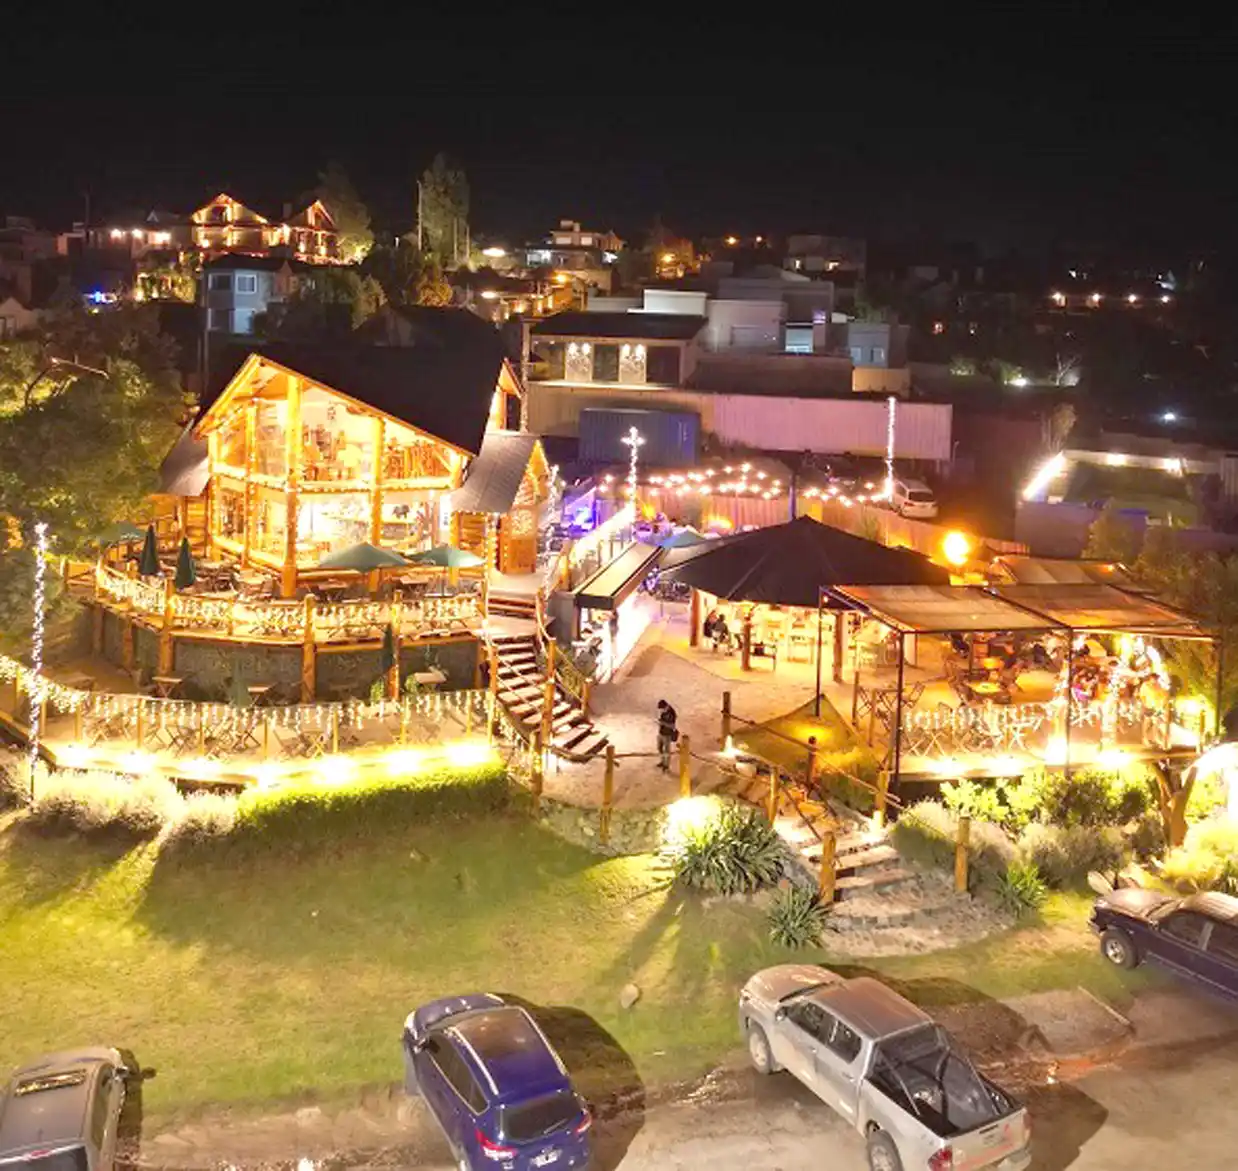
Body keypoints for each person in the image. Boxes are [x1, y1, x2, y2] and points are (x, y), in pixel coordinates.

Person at [657, 699, 678, 772]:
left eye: (662, 709)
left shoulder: (672, 713)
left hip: (667, 735)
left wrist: (663, 723)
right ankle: (662, 762)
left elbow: (672, 726)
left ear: (665, 707)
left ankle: (666, 765)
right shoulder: (664, 711)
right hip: (661, 733)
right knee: (659, 748)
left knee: (666, 751)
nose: (661, 711)